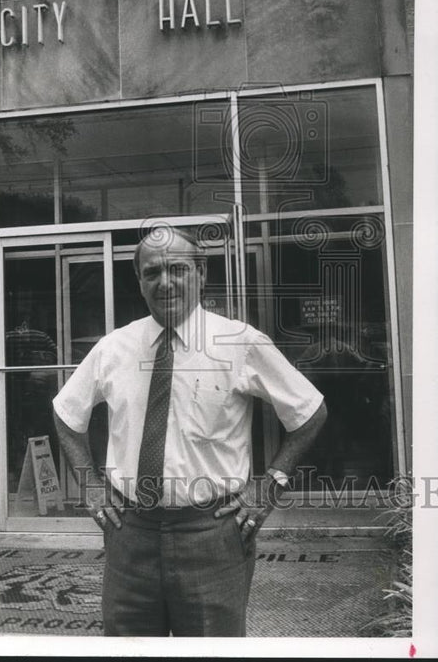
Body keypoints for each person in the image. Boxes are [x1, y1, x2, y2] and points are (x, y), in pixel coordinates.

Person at [53, 225, 327, 636]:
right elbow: (65, 414)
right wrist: (90, 486)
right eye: (152, 273)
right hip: (130, 533)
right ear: (140, 282)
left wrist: (269, 486)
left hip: (213, 535)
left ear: (201, 274)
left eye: (177, 269)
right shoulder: (114, 348)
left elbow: (310, 411)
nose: (165, 282)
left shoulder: (239, 342)